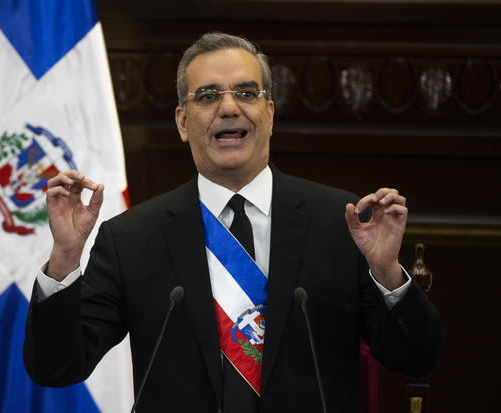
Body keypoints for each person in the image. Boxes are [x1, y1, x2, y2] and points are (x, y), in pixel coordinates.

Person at [23, 32, 442, 412]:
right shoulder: (132, 238)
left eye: (246, 92)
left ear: (271, 114)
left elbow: (416, 357)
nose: (228, 107)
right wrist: (64, 258)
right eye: (207, 96)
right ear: (183, 123)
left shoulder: (341, 223)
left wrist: (386, 272)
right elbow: (56, 368)